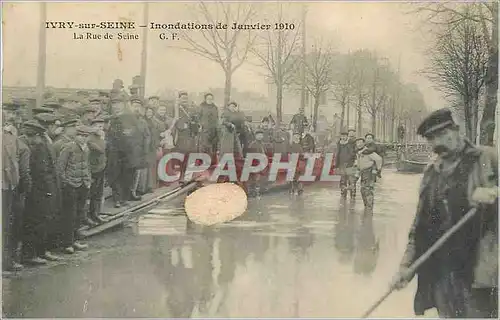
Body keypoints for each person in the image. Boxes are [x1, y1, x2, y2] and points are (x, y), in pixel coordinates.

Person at [392, 108, 498, 318]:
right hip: (443, 276)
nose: (437, 143)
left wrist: (495, 193)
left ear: (456, 130)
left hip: (479, 275)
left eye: (442, 134)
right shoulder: (432, 174)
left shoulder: (487, 158)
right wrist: (406, 267)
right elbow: (419, 228)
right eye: (431, 138)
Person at [21, 121, 61, 265]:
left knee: (43, 221)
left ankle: (40, 251)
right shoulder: (38, 147)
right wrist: (50, 190)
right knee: (35, 223)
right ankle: (30, 255)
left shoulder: (43, 144)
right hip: (39, 191)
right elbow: (41, 172)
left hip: (44, 190)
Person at [2, 106, 32, 271]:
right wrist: (15, 185)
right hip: (6, 187)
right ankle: (8, 261)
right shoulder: (11, 141)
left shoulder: (13, 141)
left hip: (7, 186)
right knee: (9, 224)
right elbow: (12, 167)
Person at [57, 125, 93, 253]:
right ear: (76, 136)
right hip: (71, 185)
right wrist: (66, 182)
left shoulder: (87, 149)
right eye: (80, 135)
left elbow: (87, 166)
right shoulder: (68, 148)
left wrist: (88, 180)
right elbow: (60, 168)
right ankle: (67, 243)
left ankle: (75, 240)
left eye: (85, 136)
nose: (83, 138)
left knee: (79, 213)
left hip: (83, 185)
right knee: (69, 215)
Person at [88, 118, 108, 223]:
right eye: (97, 126)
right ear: (91, 127)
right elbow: (101, 149)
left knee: (98, 194)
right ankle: (90, 216)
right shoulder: (90, 139)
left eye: (101, 127)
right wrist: (103, 138)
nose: (100, 129)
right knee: (92, 194)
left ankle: (96, 214)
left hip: (101, 168)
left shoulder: (100, 137)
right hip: (93, 169)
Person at [354, 137, 382, 212]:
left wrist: (378, 170)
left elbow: (379, 159)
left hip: (369, 172)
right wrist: (356, 176)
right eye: (357, 143)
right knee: (362, 190)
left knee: (368, 190)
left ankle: (369, 209)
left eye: (360, 142)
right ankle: (366, 207)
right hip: (363, 173)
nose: (359, 144)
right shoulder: (358, 153)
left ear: (364, 143)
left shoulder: (368, 152)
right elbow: (359, 166)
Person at [335, 131, 357, 199]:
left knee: (351, 180)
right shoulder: (339, 143)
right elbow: (337, 154)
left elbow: (354, 153)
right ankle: (343, 193)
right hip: (341, 164)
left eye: (345, 136)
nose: (343, 137)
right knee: (343, 180)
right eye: (342, 136)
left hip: (350, 164)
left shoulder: (351, 143)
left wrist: (355, 161)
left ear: (347, 136)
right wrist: (336, 165)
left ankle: (352, 194)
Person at [247, 129, 267, 197]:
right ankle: (253, 193)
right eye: (258, 135)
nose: (260, 136)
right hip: (255, 164)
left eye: (261, 135)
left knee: (259, 179)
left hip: (261, 164)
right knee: (255, 179)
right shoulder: (252, 144)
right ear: (255, 136)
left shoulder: (262, 144)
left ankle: (257, 192)